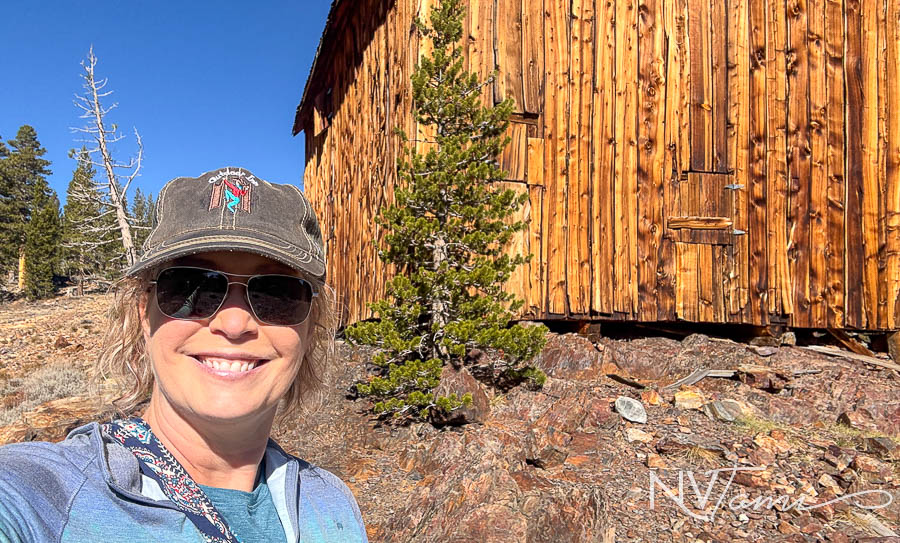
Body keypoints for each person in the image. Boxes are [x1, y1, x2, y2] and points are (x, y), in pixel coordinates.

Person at [0, 167, 368, 542]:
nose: (234, 323)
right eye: (193, 287)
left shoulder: (330, 505)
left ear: (309, 327)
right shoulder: (40, 496)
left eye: (276, 293)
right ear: (144, 313)